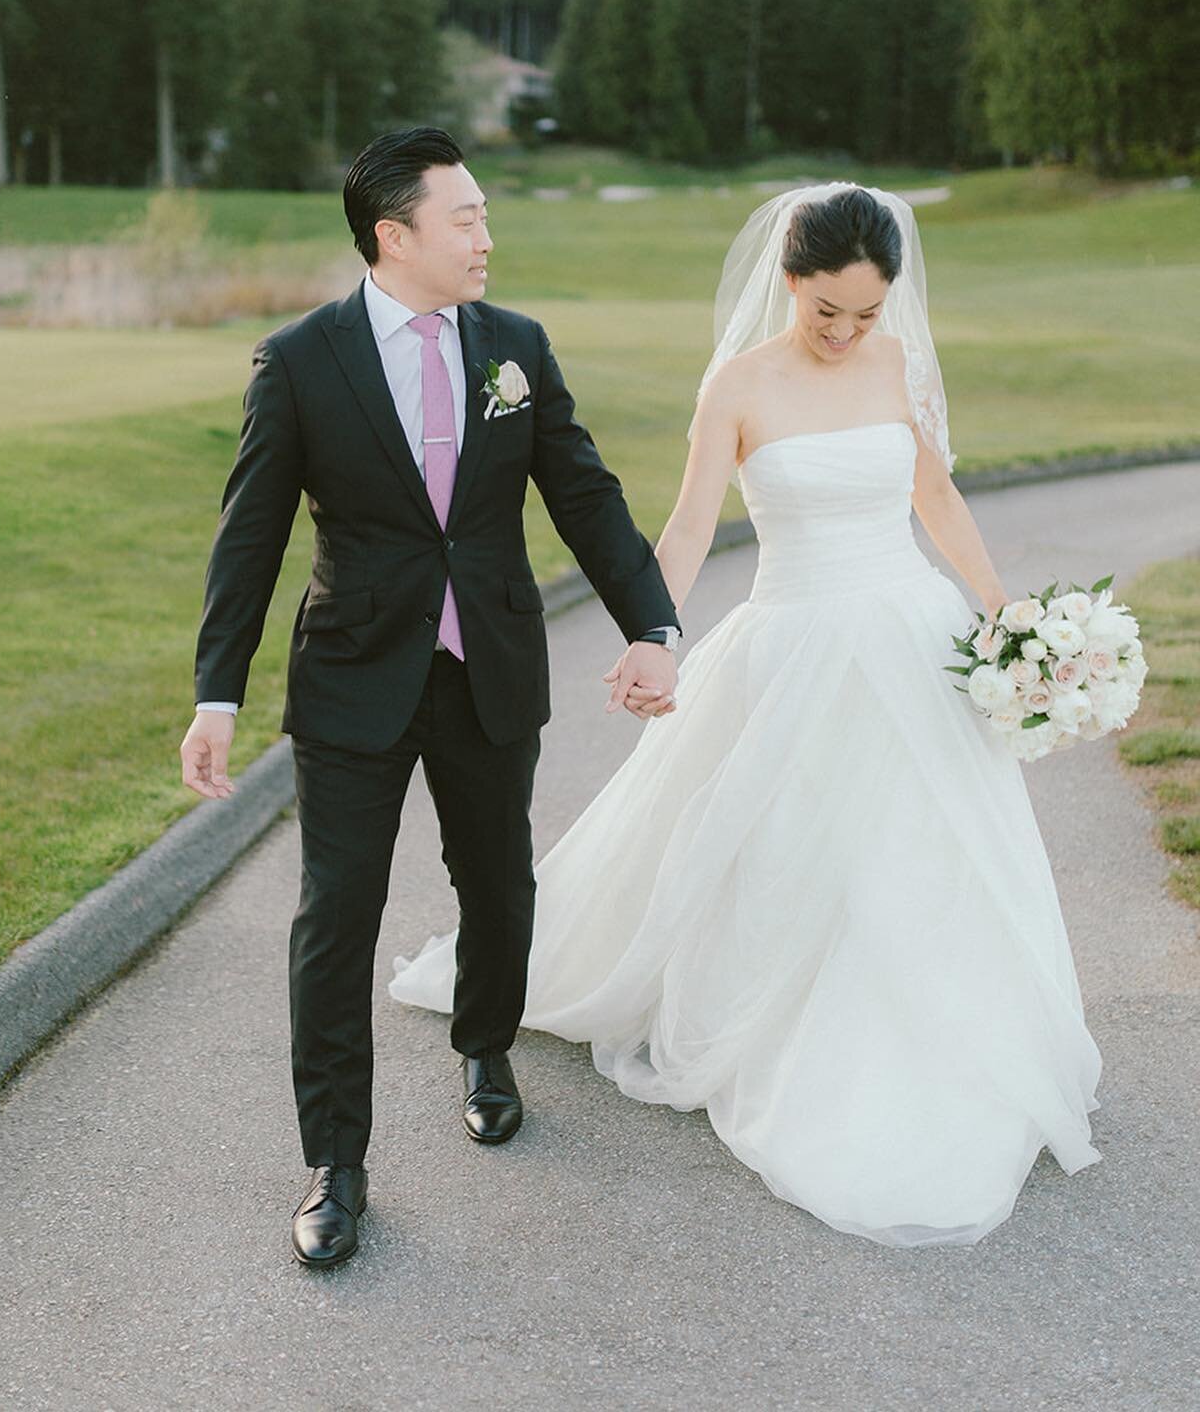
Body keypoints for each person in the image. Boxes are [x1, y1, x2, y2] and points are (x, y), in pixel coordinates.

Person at [391, 182, 1102, 1247]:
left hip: (913, 637)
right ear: (791, 281)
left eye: (867, 312)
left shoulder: (894, 364)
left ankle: (941, 1034)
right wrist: (651, 634)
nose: (849, 332)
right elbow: (684, 533)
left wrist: (1009, 620)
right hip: (795, 643)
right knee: (795, 853)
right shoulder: (737, 387)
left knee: (926, 848)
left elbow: (935, 498)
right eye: (829, 311)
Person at [180, 127, 680, 1268]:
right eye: (465, 219)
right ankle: (336, 1165)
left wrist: (651, 625)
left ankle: (486, 1046)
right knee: (333, 917)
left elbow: (587, 497)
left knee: (499, 881)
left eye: (486, 216)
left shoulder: (516, 347)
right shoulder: (301, 360)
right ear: (393, 235)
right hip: (353, 676)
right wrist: (218, 694)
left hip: (488, 667)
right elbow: (247, 540)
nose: (486, 237)